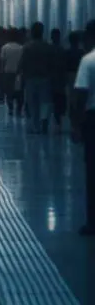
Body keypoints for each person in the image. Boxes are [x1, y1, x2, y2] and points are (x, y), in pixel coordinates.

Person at [71, 19, 95, 236]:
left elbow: (80, 95)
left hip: (92, 119)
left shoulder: (88, 61)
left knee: (92, 170)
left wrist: (76, 126)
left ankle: (92, 222)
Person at [20, 22, 54, 134]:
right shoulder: (47, 46)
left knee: (32, 102)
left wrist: (20, 76)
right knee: (45, 101)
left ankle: (35, 125)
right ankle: (44, 119)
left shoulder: (27, 47)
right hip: (45, 77)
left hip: (30, 77)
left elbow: (22, 62)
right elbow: (51, 63)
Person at [0, 29, 24, 116]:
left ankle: (10, 108)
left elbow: (3, 61)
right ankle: (19, 109)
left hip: (8, 72)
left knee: (9, 92)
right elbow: (23, 61)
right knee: (19, 92)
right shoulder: (21, 48)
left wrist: (2, 72)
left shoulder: (5, 47)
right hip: (19, 73)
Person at [49, 28, 68, 129]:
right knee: (58, 98)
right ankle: (58, 117)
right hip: (58, 79)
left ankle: (56, 117)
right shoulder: (62, 50)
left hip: (53, 78)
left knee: (53, 99)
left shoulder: (49, 49)